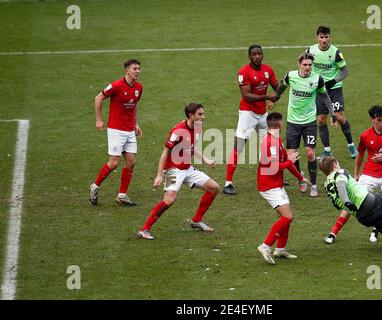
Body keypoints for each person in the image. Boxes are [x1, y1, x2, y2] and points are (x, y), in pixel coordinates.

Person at [324, 105, 382, 244]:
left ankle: (377, 229)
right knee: (353, 201)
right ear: (372, 120)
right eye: (379, 120)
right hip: (369, 175)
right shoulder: (365, 135)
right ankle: (333, 233)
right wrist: (356, 173)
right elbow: (360, 154)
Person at [137, 103, 219, 240]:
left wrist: (205, 159)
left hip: (187, 168)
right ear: (191, 116)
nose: (203, 117)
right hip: (172, 170)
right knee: (169, 200)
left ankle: (197, 220)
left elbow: (192, 147)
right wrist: (159, 174)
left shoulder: (198, 127)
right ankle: (144, 230)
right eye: (200, 114)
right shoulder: (177, 131)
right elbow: (165, 152)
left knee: (214, 188)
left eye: (203, 114)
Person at [223, 44, 280, 196]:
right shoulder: (244, 72)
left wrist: (276, 98)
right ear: (249, 56)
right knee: (239, 145)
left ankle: (271, 174)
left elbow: (278, 87)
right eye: (254, 54)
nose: (257, 56)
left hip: (262, 114)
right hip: (248, 113)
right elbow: (246, 96)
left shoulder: (268, 70)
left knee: (270, 143)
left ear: (263, 55)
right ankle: (228, 182)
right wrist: (268, 97)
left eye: (259, 54)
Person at [276, 52, 334, 197]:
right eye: (305, 65)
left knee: (310, 153)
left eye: (310, 65)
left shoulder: (317, 79)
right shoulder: (291, 76)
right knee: (291, 155)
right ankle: (301, 179)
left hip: (309, 122)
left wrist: (332, 113)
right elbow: (282, 86)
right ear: (299, 64)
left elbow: (325, 96)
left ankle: (313, 185)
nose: (308, 67)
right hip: (293, 122)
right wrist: (274, 99)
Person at [320, 156, 382, 249]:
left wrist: (347, 203)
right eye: (338, 163)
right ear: (334, 166)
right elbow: (340, 184)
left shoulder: (326, 186)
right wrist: (347, 201)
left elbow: (337, 204)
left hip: (363, 219)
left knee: (377, 222)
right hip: (374, 204)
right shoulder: (340, 172)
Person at [89, 59, 143, 206]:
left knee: (131, 162)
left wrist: (136, 123)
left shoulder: (139, 87)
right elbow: (98, 98)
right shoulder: (116, 85)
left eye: (139, 69)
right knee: (114, 163)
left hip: (129, 130)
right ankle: (95, 186)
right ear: (127, 70)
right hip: (116, 130)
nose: (137, 71)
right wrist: (98, 120)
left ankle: (122, 195)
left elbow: (134, 105)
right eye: (134, 69)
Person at [256, 112, 308, 264]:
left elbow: (286, 162)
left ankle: (280, 249)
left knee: (287, 217)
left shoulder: (276, 140)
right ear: (280, 124)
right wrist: (290, 161)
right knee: (287, 217)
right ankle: (265, 246)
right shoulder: (269, 143)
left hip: (275, 184)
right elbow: (274, 167)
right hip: (268, 186)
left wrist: (300, 177)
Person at [306, 26, 357, 159]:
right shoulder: (310, 51)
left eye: (326, 37)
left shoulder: (335, 52)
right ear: (317, 37)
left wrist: (334, 81)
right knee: (321, 119)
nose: (324, 40)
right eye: (321, 37)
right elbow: (305, 66)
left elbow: (345, 71)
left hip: (334, 89)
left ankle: (351, 145)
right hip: (319, 89)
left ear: (330, 37)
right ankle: (327, 151)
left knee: (339, 116)